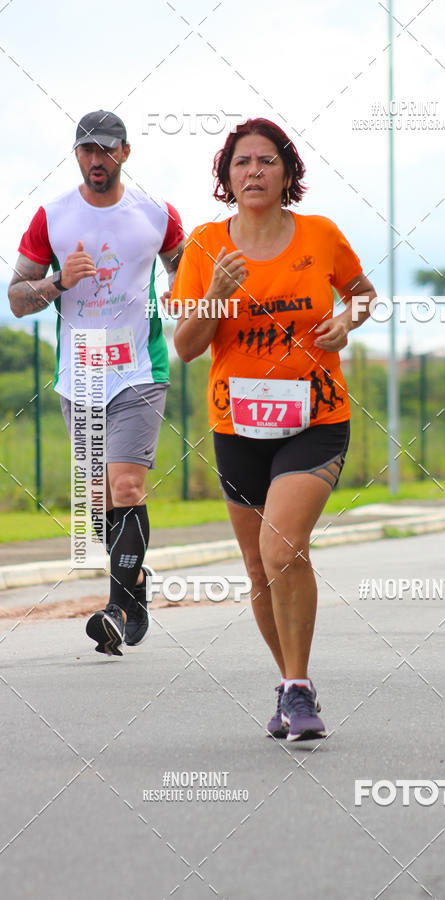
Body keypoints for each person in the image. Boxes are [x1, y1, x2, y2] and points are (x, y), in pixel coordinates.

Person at [172, 117, 375, 741]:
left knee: (282, 547)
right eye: (241, 163)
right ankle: (291, 685)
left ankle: (299, 687)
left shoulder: (320, 234)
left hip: (316, 417)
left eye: (265, 161)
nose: (253, 172)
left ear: (287, 173)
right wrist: (216, 296)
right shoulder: (206, 247)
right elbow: (185, 346)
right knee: (259, 570)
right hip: (238, 422)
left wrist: (348, 321)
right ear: (226, 177)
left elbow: (364, 293)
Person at [8, 110, 184, 656]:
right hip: (79, 371)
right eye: (86, 150)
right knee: (101, 498)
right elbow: (16, 300)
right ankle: (135, 587)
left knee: (126, 486)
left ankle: (115, 609)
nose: (95, 160)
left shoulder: (156, 214)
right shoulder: (52, 218)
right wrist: (60, 281)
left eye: (105, 150)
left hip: (139, 368)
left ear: (125, 153)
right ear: (76, 155)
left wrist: (188, 295)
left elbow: (185, 271)